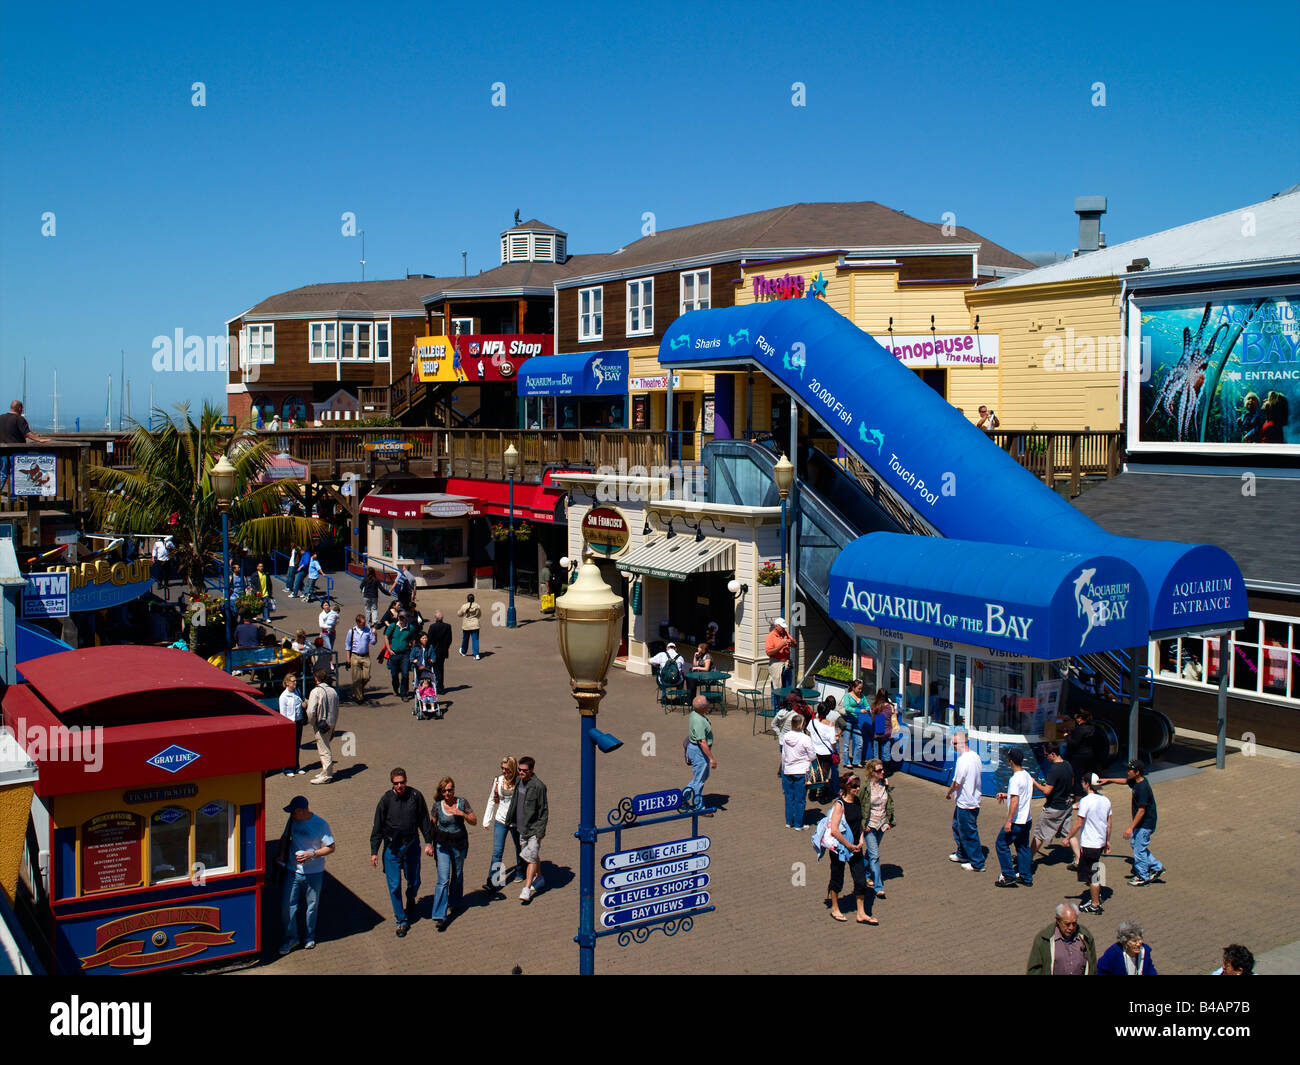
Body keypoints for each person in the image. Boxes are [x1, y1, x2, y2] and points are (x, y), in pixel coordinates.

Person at [369, 768, 434, 938]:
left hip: (411, 846)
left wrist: (428, 842)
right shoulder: (385, 800)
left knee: (414, 881)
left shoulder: (415, 796)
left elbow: (424, 820)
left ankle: (411, 896)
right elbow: (377, 826)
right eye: (396, 783)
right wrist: (374, 851)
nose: (399, 786)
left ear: (406, 781)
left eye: (402, 782)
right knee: (394, 886)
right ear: (392, 784)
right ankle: (401, 921)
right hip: (392, 849)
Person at [278, 796, 335, 954]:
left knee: (312, 906)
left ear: (303, 811)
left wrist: (312, 854)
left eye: (294, 812)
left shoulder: (320, 824)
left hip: (314, 873)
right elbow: (284, 838)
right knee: (287, 906)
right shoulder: (292, 820)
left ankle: (309, 936)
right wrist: (282, 855)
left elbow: (331, 847)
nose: (292, 815)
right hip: (292, 870)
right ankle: (292, 938)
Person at [1100, 759, 1166, 886]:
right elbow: (1125, 781)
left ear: (1137, 772)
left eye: (1130, 770)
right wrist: (1108, 780)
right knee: (1136, 844)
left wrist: (1130, 828)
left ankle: (1143, 876)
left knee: (1139, 850)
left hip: (1145, 824)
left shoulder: (1142, 788)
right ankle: (1156, 867)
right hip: (1142, 823)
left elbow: (1141, 810)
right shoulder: (1136, 781)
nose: (1128, 772)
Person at [824, 774, 876, 925]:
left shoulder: (857, 801)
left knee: (860, 880)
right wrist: (848, 845)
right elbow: (834, 829)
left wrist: (860, 840)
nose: (857, 789)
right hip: (840, 847)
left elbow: (858, 824)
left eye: (858, 786)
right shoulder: (839, 804)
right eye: (854, 786)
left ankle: (861, 913)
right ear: (846, 787)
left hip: (855, 847)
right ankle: (835, 908)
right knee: (837, 878)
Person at [430, 776, 477, 931]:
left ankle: (455, 902)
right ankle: (440, 915)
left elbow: (474, 820)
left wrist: (461, 814)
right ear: (441, 792)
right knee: (443, 879)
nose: (448, 793)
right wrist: (429, 844)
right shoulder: (437, 806)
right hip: (442, 846)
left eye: (450, 790)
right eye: (444, 791)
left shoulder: (462, 803)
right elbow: (432, 826)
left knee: (457, 875)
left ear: (454, 789)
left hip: (459, 845)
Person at [1066, 773, 1112, 915]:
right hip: (1099, 843)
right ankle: (1096, 895)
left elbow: (1079, 822)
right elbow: (1109, 824)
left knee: (1092, 875)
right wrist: (1107, 841)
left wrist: (1068, 837)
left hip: (1090, 843)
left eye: (1083, 782)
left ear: (1087, 784)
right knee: (1094, 870)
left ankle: (1095, 904)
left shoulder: (1086, 801)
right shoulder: (1105, 800)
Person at [506, 756, 547, 902]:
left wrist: (540, 832)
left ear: (531, 770)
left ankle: (526, 889)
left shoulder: (539, 786)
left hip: (533, 830)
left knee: (530, 858)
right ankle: (540, 877)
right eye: (519, 769)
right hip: (521, 828)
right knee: (532, 855)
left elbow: (543, 810)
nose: (521, 772)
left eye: (524, 770)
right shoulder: (519, 781)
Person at [1031, 746, 1079, 870]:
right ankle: (1079, 860)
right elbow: (1072, 782)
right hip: (1066, 805)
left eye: (1046, 755)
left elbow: (1047, 791)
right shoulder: (1067, 765)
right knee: (1070, 833)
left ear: (1053, 754)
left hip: (1054, 808)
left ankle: (1028, 858)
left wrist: (1035, 783)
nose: (1045, 758)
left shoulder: (1054, 770)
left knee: (1039, 834)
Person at [994, 748, 1034, 887]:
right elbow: (1022, 795)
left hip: (1017, 821)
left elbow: (1016, 801)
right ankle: (1026, 877)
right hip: (1027, 819)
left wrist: (1008, 821)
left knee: (1001, 844)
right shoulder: (1027, 775)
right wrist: (1006, 795)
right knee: (1023, 847)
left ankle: (1008, 875)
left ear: (1011, 761)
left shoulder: (1014, 779)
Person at [946, 730, 984, 871]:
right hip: (969, 801)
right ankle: (962, 853)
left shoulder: (963, 760)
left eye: (955, 743)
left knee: (968, 832)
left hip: (967, 803)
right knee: (957, 826)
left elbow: (957, 782)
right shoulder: (975, 756)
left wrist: (949, 793)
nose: (953, 746)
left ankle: (977, 863)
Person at [482, 756, 521, 890]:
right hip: (500, 820)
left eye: (507, 769)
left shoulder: (519, 781)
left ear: (513, 769)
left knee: (519, 848)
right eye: (502, 768)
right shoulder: (498, 780)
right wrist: (487, 820)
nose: (504, 771)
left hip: (516, 822)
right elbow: (492, 800)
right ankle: (492, 881)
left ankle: (520, 871)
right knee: (497, 852)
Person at [1026, 902, 1097, 975]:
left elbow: (1093, 964)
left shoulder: (1086, 936)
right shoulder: (1044, 939)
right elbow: (1034, 970)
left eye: (1074, 923)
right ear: (1058, 920)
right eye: (1067, 924)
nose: (1071, 928)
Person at [860, 758, 894, 898]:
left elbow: (889, 803)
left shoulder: (885, 784)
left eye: (882, 769)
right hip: (870, 825)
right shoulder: (865, 788)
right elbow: (860, 806)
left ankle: (864, 873)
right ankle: (878, 886)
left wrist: (890, 820)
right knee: (875, 855)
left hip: (882, 824)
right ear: (872, 772)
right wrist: (863, 825)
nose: (882, 772)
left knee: (870, 853)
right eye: (879, 770)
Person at [0, 400, 48, 499]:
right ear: (19, 408)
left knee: (2, 474)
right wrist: (39, 439)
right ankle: (13, 498)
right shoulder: (19, 419)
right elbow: (27, 434)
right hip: (16, 452)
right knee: (15, 473)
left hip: (2, 451)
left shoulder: (1, 418)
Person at [780, 712, 815, 829]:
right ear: (802, 725)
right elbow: (812, 756)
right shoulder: (806, 738)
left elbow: (783, 754)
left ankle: (789, 821)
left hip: (788, 770)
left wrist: (784, 768)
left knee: (789, 797)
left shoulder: (785, 737)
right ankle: (798, 824)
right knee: (800, 799)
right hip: (802, 771)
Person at [305, 668, 340, 785]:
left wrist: (311, 722)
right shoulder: (333, 691)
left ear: (316, 679)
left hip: (321, 723)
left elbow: (311, 711)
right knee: (326, 746)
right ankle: (325, 771)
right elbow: (336, 709)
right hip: (331, 722)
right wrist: (334, 725)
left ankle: (327, 775)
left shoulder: (316, 691)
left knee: (323, 749)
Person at [685, 695, 716, 813]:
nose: (708, 704)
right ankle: (699, 807)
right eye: (707, 703)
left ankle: (684, 796)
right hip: (699, 752)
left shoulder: (695, 714)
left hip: (697, 751)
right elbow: (702, 742)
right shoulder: (698, 721)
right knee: (699, 780)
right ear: (703, 708)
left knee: (701, 777)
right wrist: (711, 758)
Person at [809, 700, 839, 804]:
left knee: (815, 771)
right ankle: (822, 795)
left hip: (814, 751)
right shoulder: (830, 726)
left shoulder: (812, 722)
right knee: (825, 773)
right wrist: (834, 750)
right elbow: (833, 741)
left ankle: (812, 793)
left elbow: (809, 733)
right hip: (826, 752)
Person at [384, 610, 417, 700]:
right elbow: (386, 636)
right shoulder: (393, 626)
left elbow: (413, 639)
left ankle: (404, 694)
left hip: (405, 654)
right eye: (400, 617)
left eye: (403, 617)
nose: (401, 619)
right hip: (394, 654)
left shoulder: (411, 628)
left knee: (405, 674)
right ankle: (395, 688)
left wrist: (412, 650)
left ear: (406, 618)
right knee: (394, 674)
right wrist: (389, 649)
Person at [343, 613, 376, 704]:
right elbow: (347, 645)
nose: (364, 624)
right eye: (362, 622)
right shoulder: (352, 631)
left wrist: (375, 635)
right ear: (358, 622)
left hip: (365, 656)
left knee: (366, 676)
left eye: (365, 622)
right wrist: (348, 658)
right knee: (356, 678)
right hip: (355, 656)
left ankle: (357, 689)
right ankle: (359, 697)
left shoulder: (367, 630)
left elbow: (373, 642)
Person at [765, 618, 796, 710]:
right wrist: (781, 645)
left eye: (784, 627)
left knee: (788, 687)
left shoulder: (785, 633)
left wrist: (792, 642)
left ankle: (787, 707)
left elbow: (795, 644)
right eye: (782, 627)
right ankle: (776, 708)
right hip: (776, 663)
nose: (783, 629)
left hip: (786, 663)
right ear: (776, 626)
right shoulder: (770, 637)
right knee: (777, 688)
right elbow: (769, 653)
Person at [279, 672, 306, 776]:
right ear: (287, 683)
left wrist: (304, 704)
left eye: (295, 680)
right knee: (289, 746)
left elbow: (302, 702)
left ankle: (296, 767)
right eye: (293, 681)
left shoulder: (297, 691)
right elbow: (283, 714)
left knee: (296, 745)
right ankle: (287, 769)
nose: (295, 682)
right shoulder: (283, 697)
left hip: (298, 721)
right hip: (290, 723)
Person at [840, 678, 866, 768]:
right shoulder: (848, 696)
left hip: (855, 721)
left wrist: (869, 710)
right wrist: (859, 710)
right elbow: (847, 708)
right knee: (846, 743)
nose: (860, 690)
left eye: (861, 688)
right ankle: (846, 762)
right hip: (847, 720)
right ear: (853, 688)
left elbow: (867, 705)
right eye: (859, 688)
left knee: (860, 742)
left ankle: (856, 761)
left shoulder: (862, 696)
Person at [427, 609, 453, 695]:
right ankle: (440, 686)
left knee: (435, 669)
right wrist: (446, 647)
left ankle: (437, 686)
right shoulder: (447, 626)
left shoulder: (432, 627)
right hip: (443, 650)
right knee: (440, 668)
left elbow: (429, 639)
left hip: (434, 650)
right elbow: (449, 640)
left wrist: (427, 649)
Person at [457, 593, 482, 659]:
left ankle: (463, 651)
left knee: (465, 639)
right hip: (475, 625)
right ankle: (476, 654)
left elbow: (459, 614)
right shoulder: (477, 606)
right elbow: (479, 615)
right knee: (475, 640)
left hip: (466, 625)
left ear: (467, 599)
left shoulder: (464, 606)